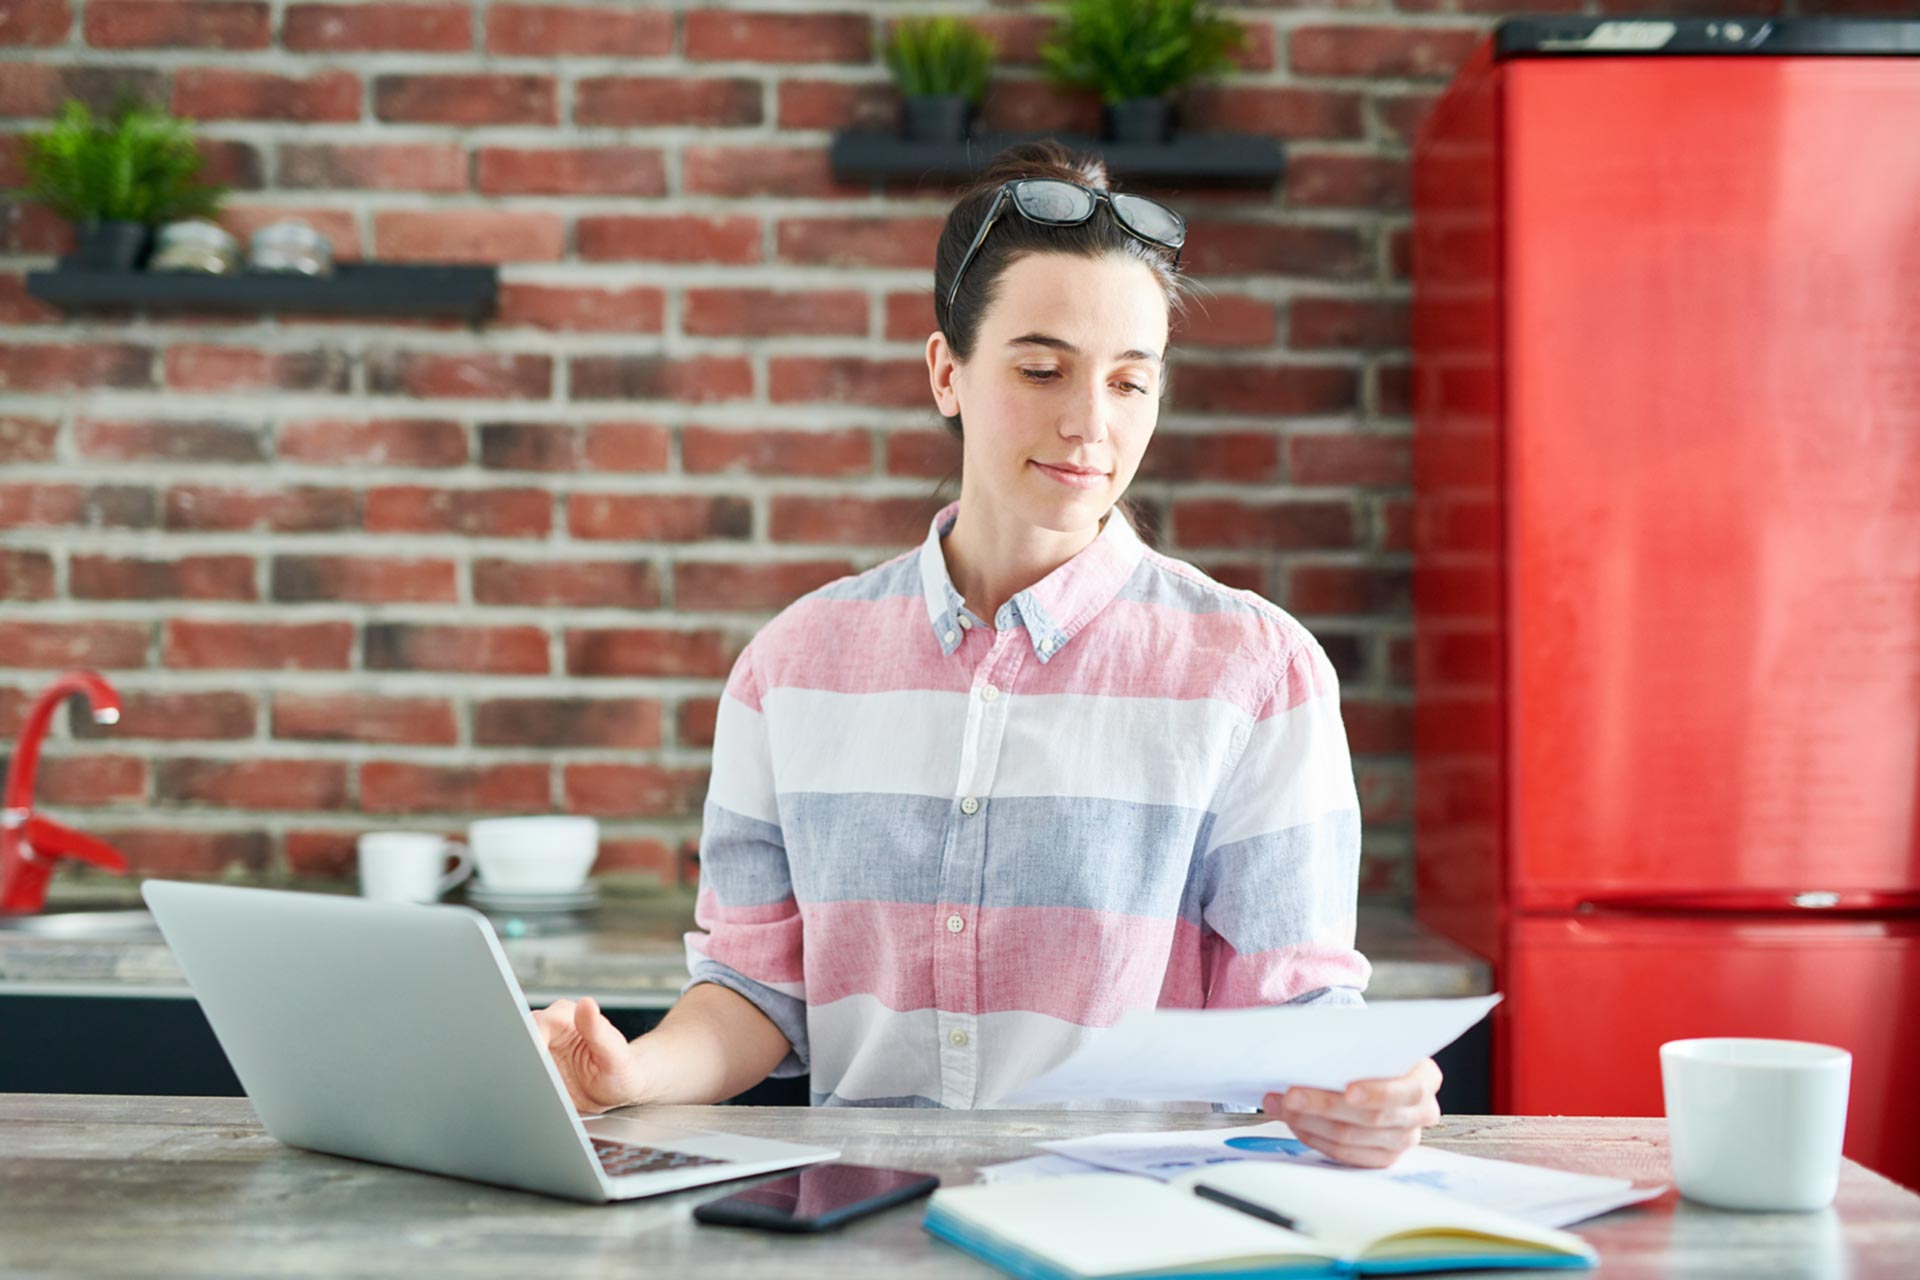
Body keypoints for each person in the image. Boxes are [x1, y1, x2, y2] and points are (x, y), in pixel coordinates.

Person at [534, 140, 1442, 1169]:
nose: (1088, 423)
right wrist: (633, 1073)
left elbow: (1296, 1012)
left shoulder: (1255, 670)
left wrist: (1365, 1093)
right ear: (946, 371)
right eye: (1042, 368)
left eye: (1131, 383)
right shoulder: (792, 667)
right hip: (864, 1230)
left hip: (1134, 1233)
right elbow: (757, 989)